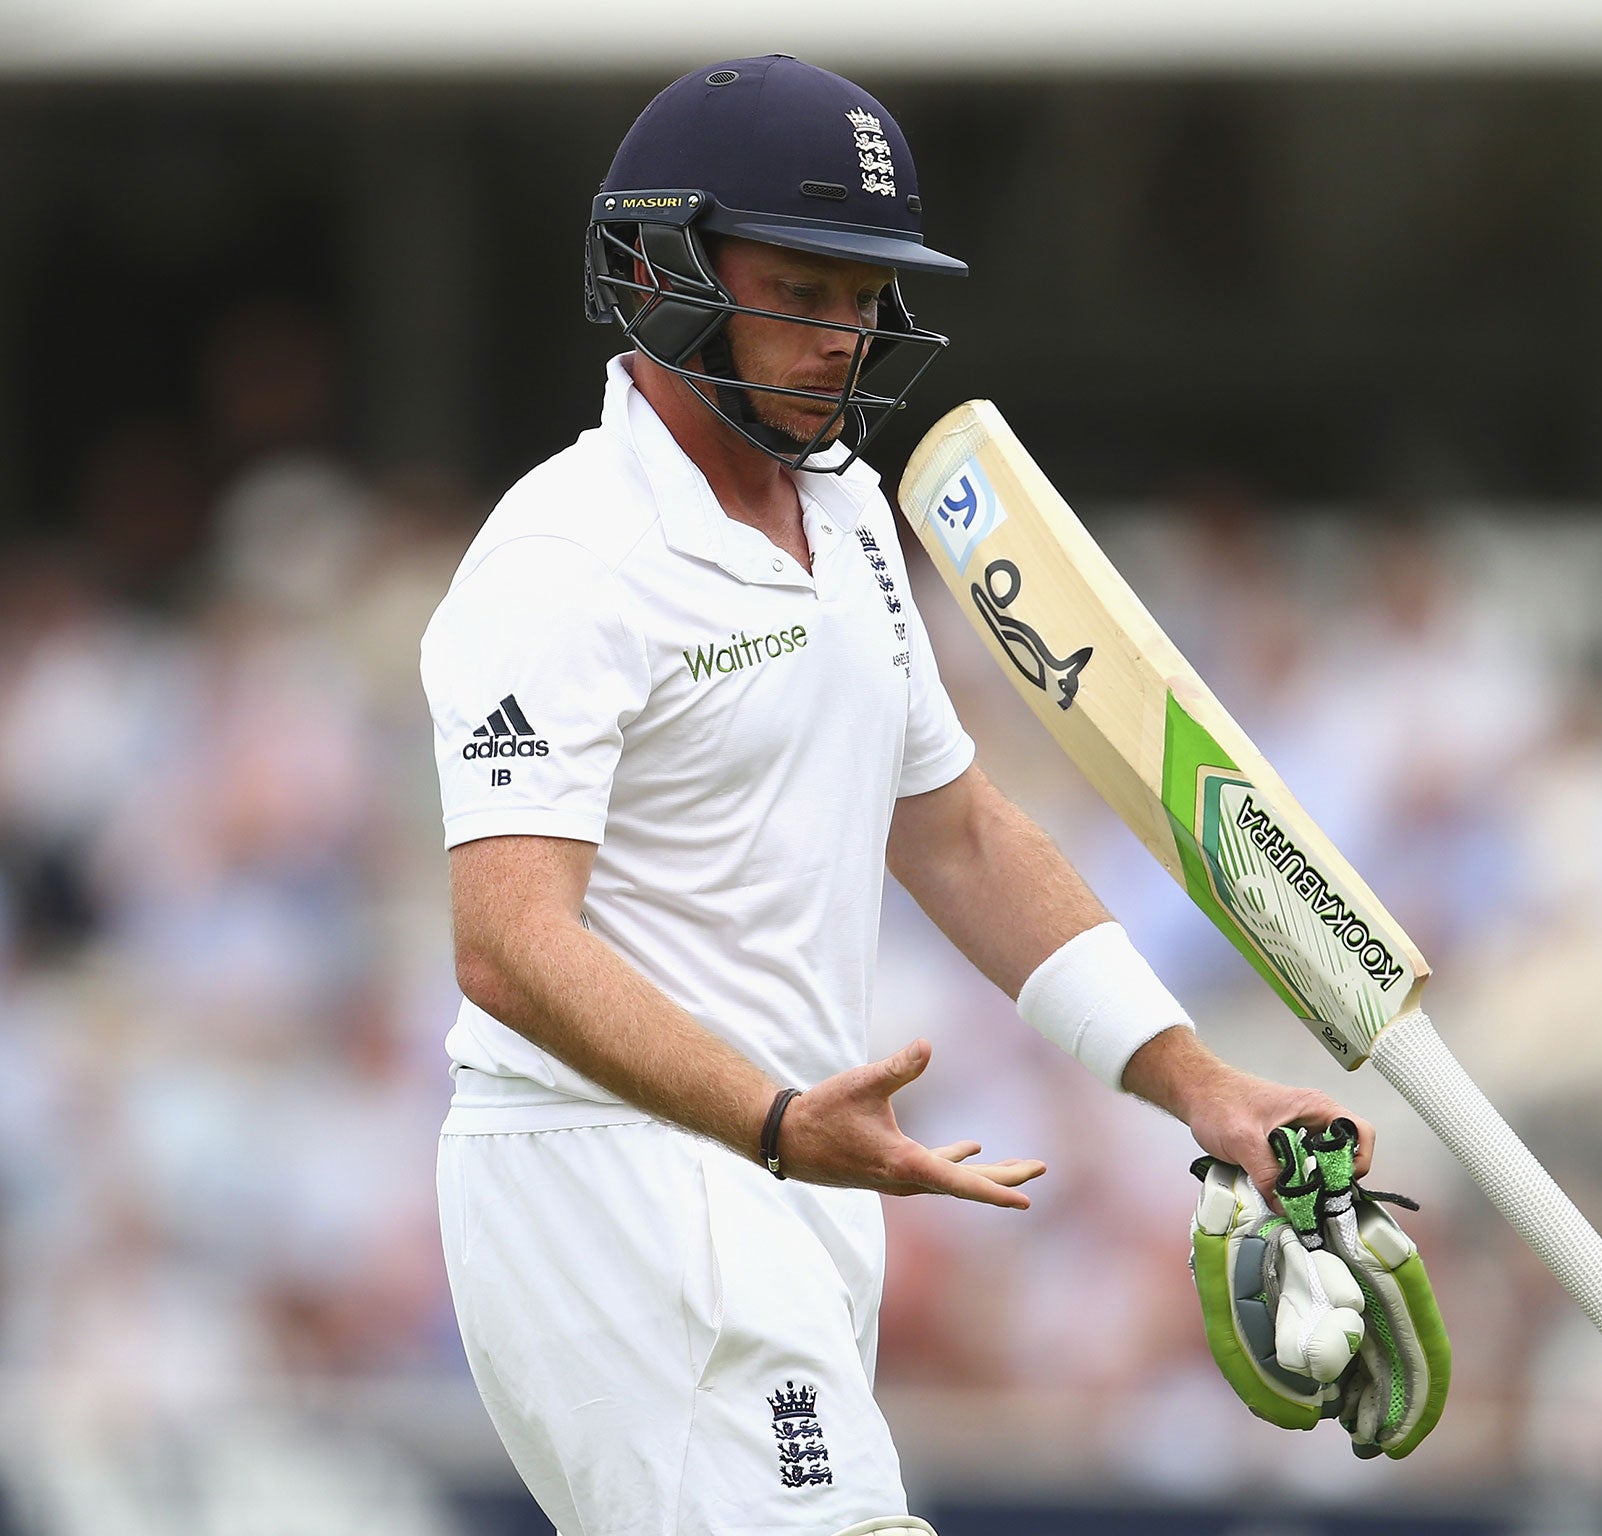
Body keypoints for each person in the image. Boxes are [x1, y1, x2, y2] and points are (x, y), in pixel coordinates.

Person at [421, 56, 1367, 1536]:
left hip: (790, 1167)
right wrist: (779, 1117)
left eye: (864, 299)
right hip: (615, 1174)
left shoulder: (854, 514)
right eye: (802, 288)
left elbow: (961, 834)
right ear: (663, 270)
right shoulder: (563, 554)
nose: (841, 339)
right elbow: (507, 944)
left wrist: (1200, 1085)